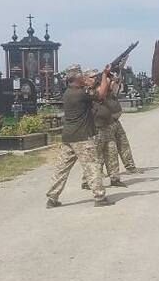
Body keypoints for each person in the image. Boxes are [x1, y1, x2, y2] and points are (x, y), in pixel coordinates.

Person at [46, 64, 112, 208]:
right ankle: (99, 197)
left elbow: (92, 92)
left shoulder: (68, 93)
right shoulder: (80, 94)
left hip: (68, 137)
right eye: (82, 75)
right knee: (92, 166)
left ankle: (52, 198)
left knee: (62, 169)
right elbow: (101, 94)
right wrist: (104, 75)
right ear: (77, 78)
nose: (84, 77)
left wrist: (94, 82)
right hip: (82, 137)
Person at [81, 69, 127, 189]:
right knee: (94, 156)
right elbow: (98, 94)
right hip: (95, 128)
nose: (95, 79)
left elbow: (113, 87)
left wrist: (110, 77)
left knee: (112, 153)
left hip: (107, 126)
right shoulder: (85, 91)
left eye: (96, 77)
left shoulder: (102, 88)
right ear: (85, 79)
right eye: (92, 77)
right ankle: (87, 181)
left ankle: (115, 179)